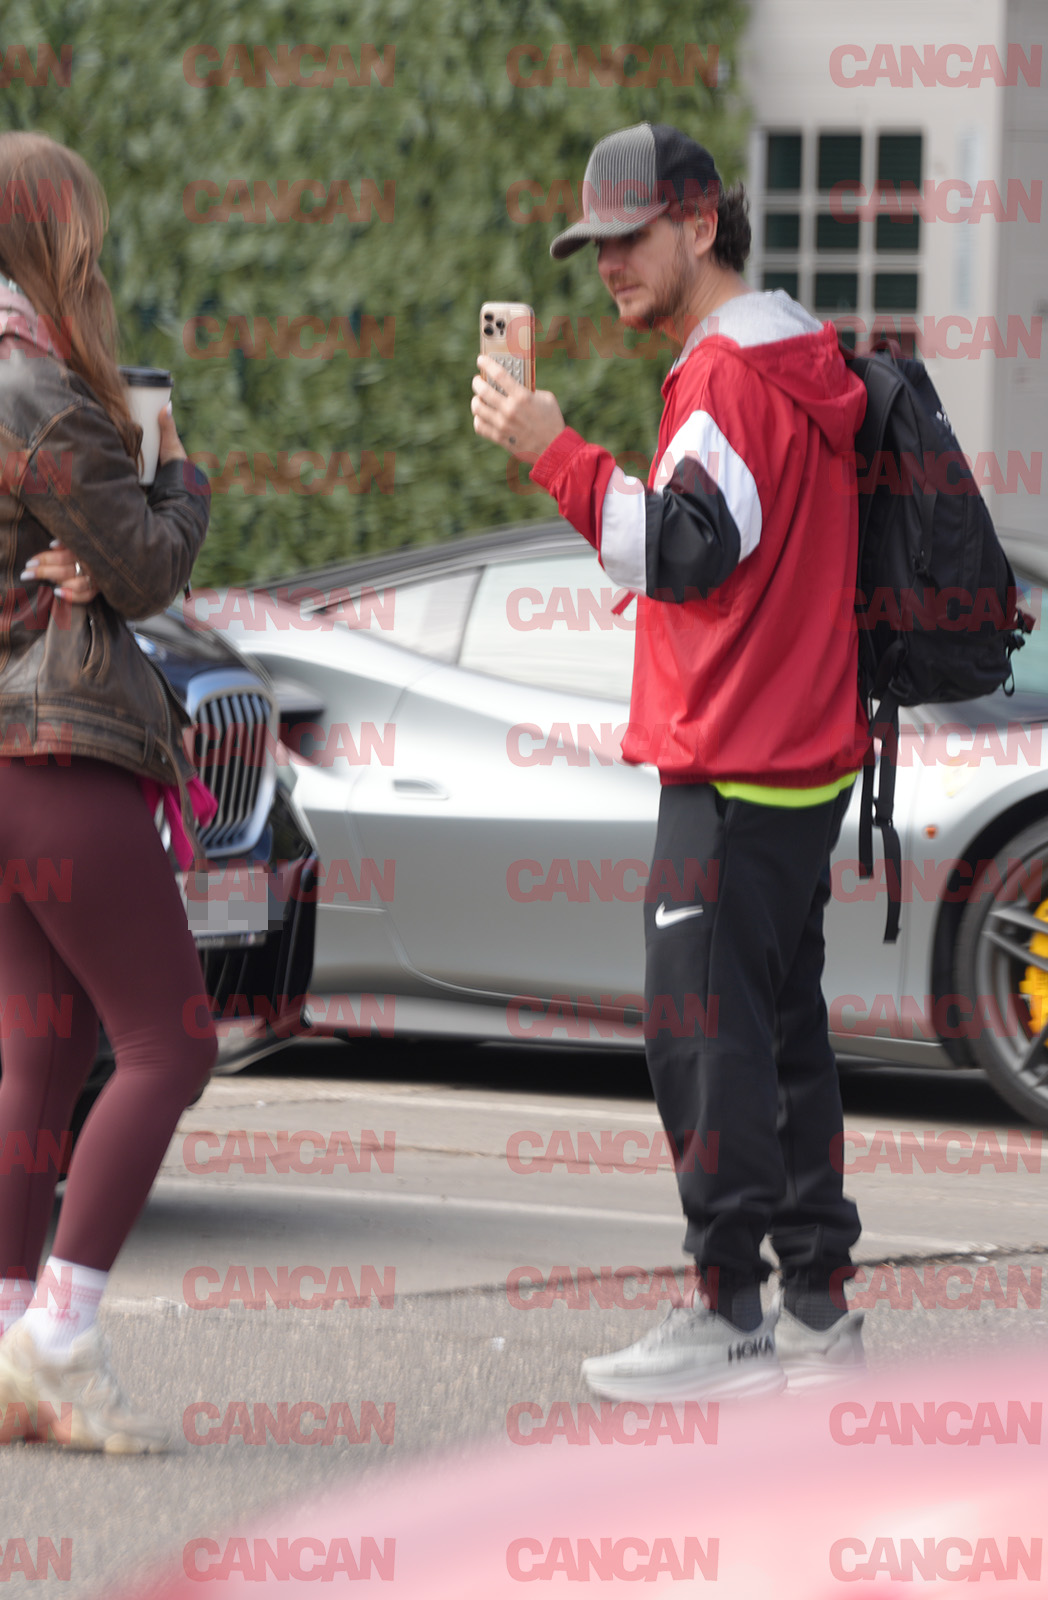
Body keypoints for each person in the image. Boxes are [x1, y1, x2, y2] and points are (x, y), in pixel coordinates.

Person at [471, 122, 871, 1399]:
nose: (608, 265)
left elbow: (686, 548)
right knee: (782, 1036)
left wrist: (552, 448)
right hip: (800, 761)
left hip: (735, 764)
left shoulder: (725, 378)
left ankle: (727, 1311)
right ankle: (817, 1310)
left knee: (700, 1036)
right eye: (594, 246)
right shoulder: (800, 352)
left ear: (701, 225)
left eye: (630, 238)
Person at [0, 131, 218, 1450]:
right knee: (171, 1045)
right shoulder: (39, 389)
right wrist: (178, 469)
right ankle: (63, 1340)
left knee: (45, 1060)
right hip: (48, 753)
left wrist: (92, 543)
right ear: (43, 232)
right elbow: (147, 569)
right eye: (77, 222)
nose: (91, 244)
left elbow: (49, 559)